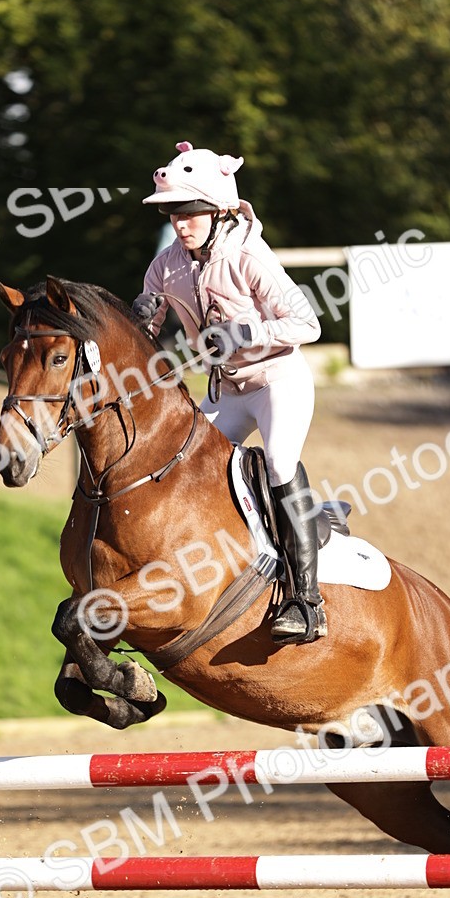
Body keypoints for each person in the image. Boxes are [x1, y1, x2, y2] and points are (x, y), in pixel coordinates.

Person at [134, 141, 326, 645]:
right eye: (174, 212)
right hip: (225, 390)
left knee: (280, 464)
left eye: (191, 212)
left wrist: (248, 335)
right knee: (183, 469)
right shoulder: (165, 266)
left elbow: (308, 324)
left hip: (276, 382)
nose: (180, 222)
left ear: (219, 212)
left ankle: (306, 602)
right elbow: (144, 330)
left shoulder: (249, 255)